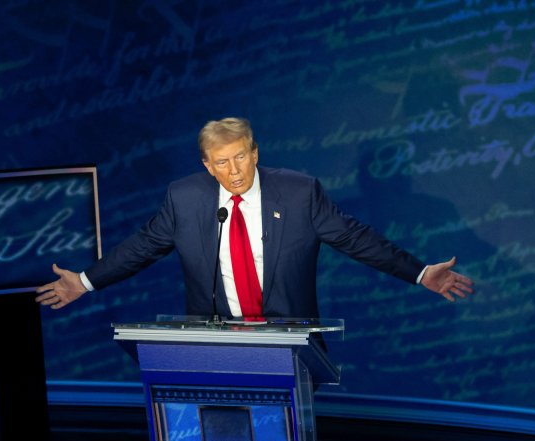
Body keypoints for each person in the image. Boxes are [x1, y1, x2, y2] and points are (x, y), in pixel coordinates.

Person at [34, 117, 473, 317]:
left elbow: (356, 238)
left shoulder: (299, 192)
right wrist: (86, 281)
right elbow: (142, 246)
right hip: (214, 337)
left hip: (286, 336)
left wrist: (419, 274)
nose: (234, 170)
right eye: (221, 163)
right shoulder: (184, 198)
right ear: (207, 166)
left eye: (241, 157)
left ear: (255, 153)